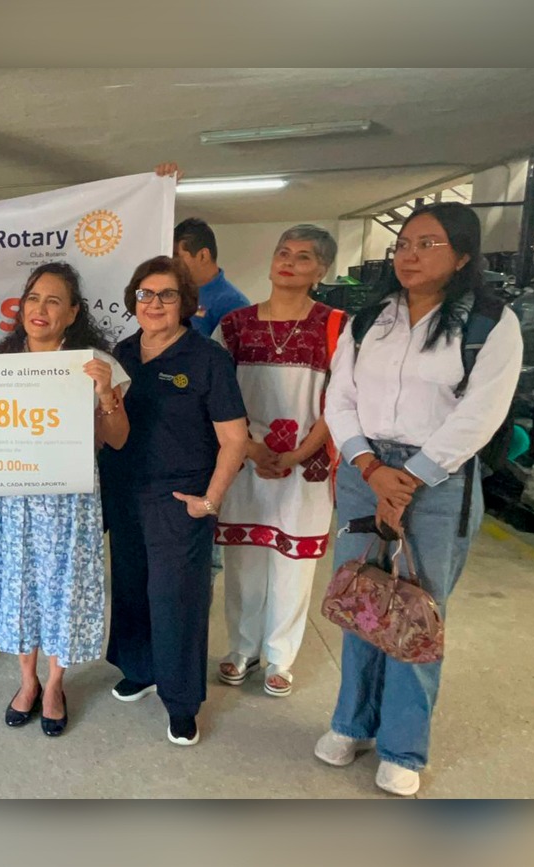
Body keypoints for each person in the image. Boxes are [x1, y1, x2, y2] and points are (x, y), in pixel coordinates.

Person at [317, 202, 522, 796]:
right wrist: (369, 466)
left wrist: (410, 477)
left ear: (461, 256)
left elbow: (482, 413)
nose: (409, 254)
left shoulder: (490, 322)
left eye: (427, 244)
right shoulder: (370, 318)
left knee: (416, 608)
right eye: (404, 243)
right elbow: (341, 398)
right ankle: (350, 723)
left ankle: (404, 746)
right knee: (358, 594)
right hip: (365, 469)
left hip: (438, 478)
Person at [0, 263, 129, 737]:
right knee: (18, 590)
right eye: (34, 298)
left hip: (69, 504)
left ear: (73, 312)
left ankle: (56, 684)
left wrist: (103, 393)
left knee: (62, 591)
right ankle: (26, 681)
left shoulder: (94, 364)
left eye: (54, 300)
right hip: (9, 499)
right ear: (22, 306)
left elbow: (118, 439)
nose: (41, 309)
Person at [98, 255, 248, 747]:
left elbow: (234, 439)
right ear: (133, 301)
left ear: (186, 303)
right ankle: (139, 669)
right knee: (133, 586)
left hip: (179, 500)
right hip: (125, 492)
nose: (155, 303)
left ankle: (182, 702)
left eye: (166, 294)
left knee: (176, 600)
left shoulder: (207, 359)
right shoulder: (120, 353)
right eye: (145, 294)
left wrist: (210, 500)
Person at [213, 225, 346, 698]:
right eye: (283, 252)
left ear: (321, 271)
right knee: (244, 558)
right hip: (244, 457)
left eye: (304, 257)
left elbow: (343, 400)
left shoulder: (337, 326)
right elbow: (214, 393)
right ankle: (242, 647)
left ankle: (280, 655)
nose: (288, 262)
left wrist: (298, 452)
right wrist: (250, 447)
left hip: (305, 464)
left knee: (293, 560)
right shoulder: (233, 326)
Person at [172, 217, 250, 338]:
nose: (171, 262)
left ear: (203, 256)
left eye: (176, 256)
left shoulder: (233, 303)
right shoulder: (173, 291)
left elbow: (229, 354)